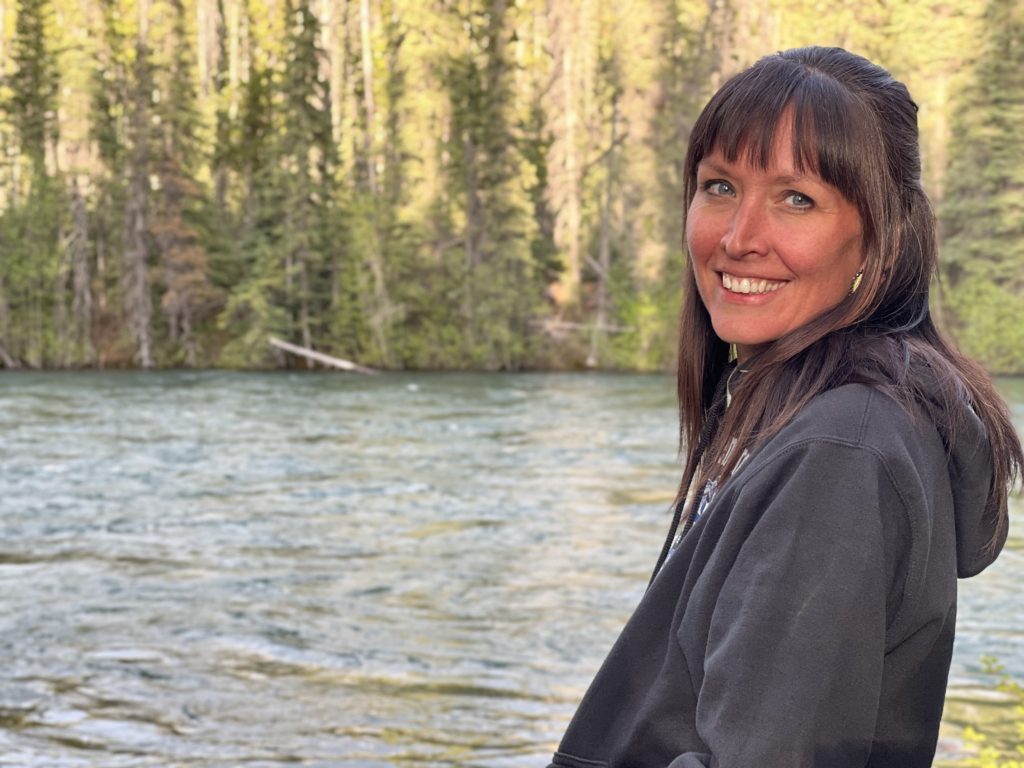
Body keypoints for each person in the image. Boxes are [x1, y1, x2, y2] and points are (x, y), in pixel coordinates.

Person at [546, 47, 1022, 768]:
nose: (737, 239)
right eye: (719, 187)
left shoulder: (841, 456)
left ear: (881, 239)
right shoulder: (830, 425)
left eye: (796, 199)